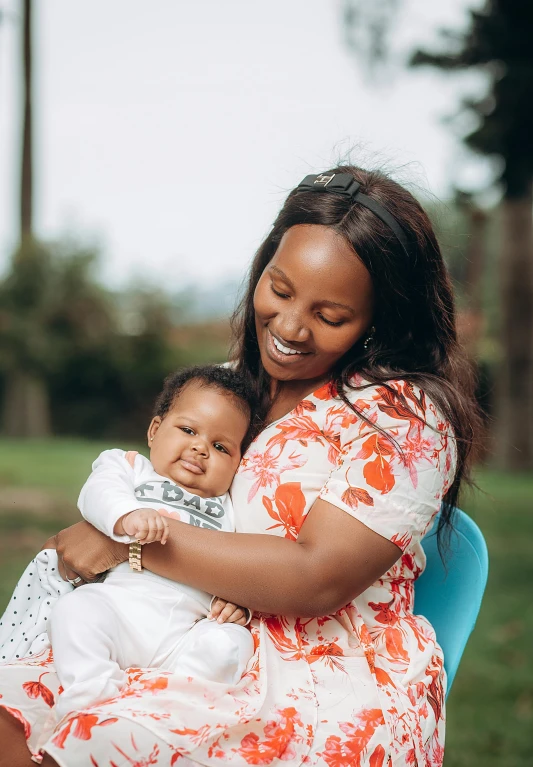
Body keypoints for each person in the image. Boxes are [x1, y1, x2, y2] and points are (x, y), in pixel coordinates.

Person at [0, 165, 480, 767]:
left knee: (99, 741)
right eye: (279, 290)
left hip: (320, 670)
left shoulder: (404, 417)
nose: (289, 327)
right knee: (13, 717)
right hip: (176, 621)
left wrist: (131, 543)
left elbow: (316, 578)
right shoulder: (236, 383)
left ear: (384, 316)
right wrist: (119, 517)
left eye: (331, 317)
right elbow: (171, 478)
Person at [48, 365, 256, 721]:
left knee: (231, 643)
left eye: (221, 447)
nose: (199, 447)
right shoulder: (130, 468)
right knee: (75, 611)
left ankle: (170, 704)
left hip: (187, 633)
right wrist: (127, 514)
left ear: (238, 463)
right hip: (119, 611)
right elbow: (99, 491)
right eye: (188, 430)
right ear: (155, 430)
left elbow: (246, 561)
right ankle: (91, 699)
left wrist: (239, 605)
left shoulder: (233, 508)